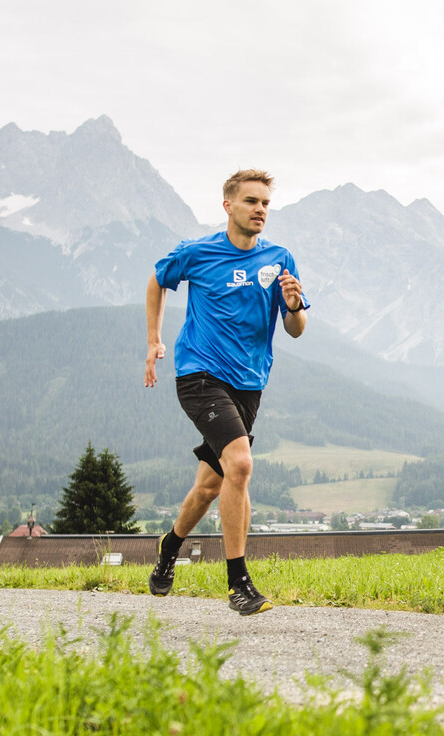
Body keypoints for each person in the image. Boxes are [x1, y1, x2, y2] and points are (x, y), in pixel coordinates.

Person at [144, 169, 308, 614]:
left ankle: (169, 547)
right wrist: (154, 339)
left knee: (210, 486)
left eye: (266, 204)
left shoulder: (279, 259)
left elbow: (295, 329)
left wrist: (292, 307)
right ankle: (239, 583)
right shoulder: (198, 253)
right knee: (240, 464)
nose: (260, 210)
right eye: (251, 201)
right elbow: (158, 279)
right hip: (199, 374)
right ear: (228, 206)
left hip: (249, 383)